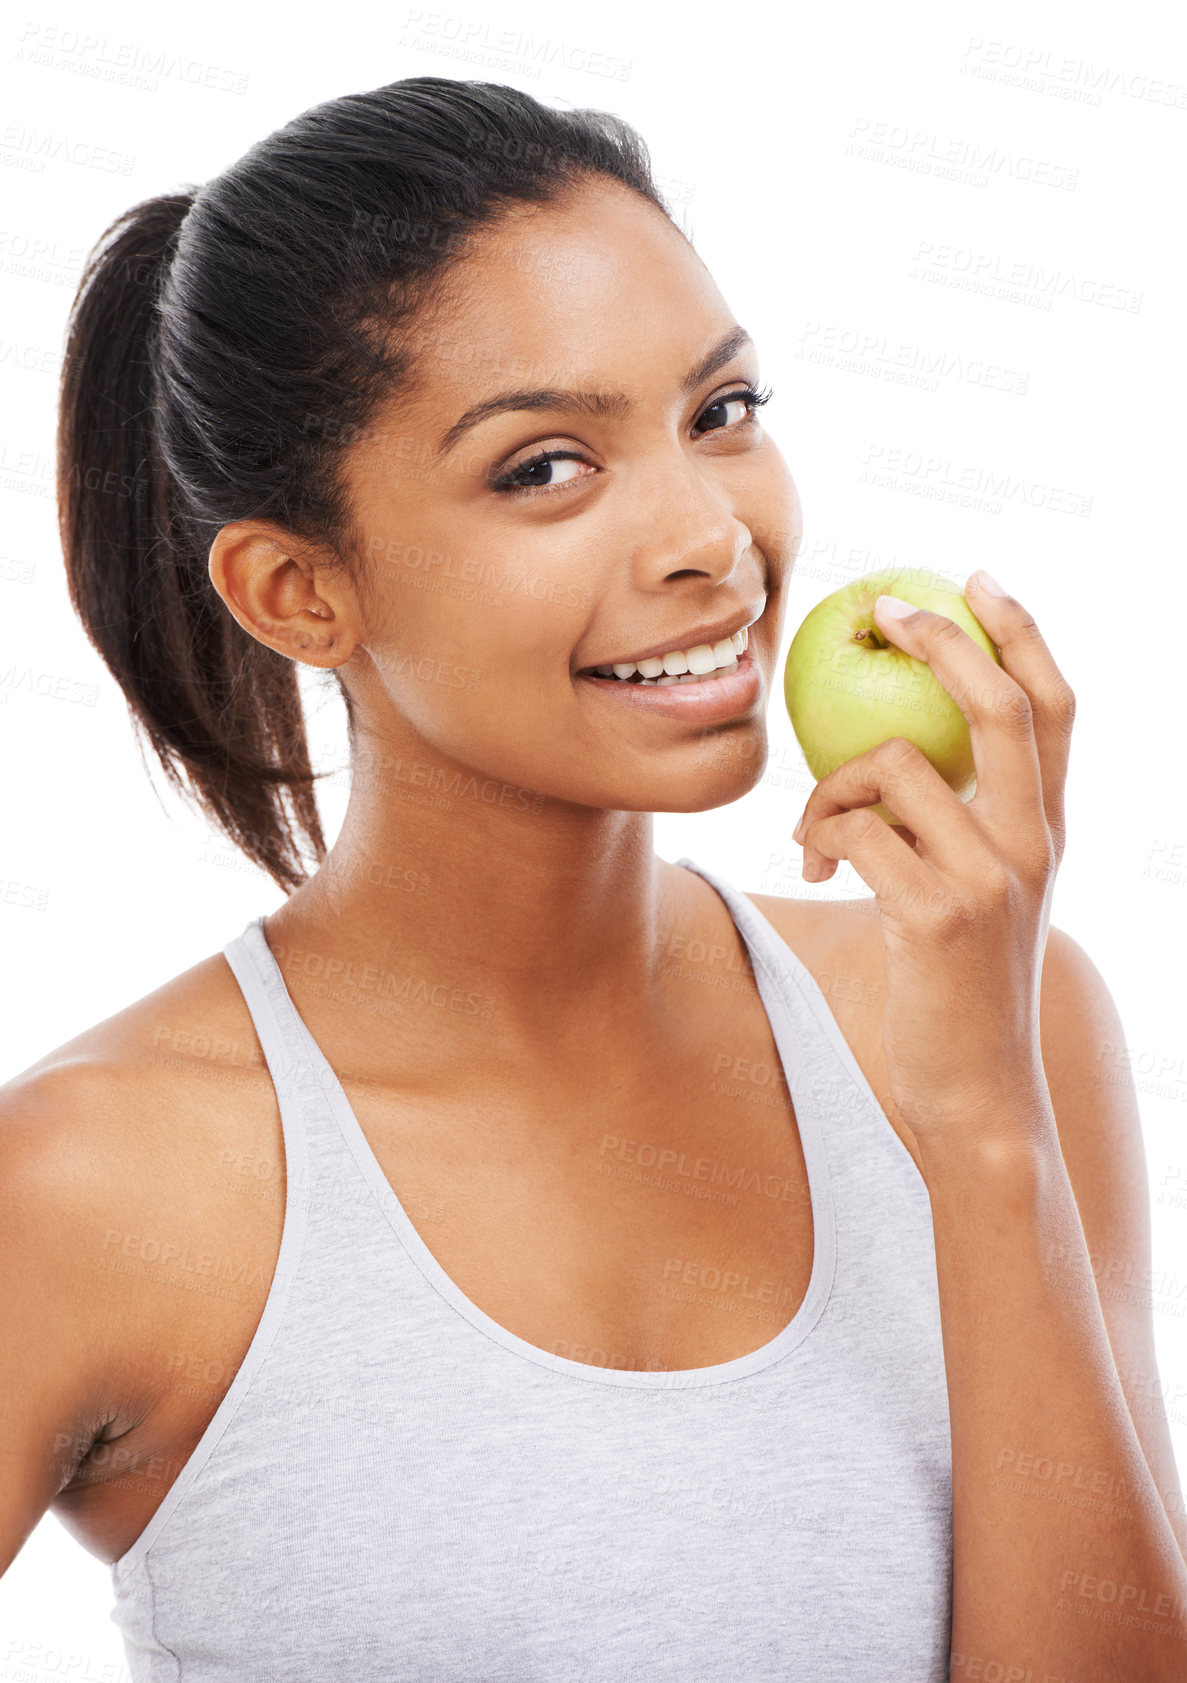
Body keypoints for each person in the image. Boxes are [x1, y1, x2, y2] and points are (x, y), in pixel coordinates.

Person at [2, 76, 1185, 1682]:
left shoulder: (1004, 1017)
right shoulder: (99, 1177)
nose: (713, 535)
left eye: (723, 412)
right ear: (295, 591)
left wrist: (983, 1126)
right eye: (545, 467)